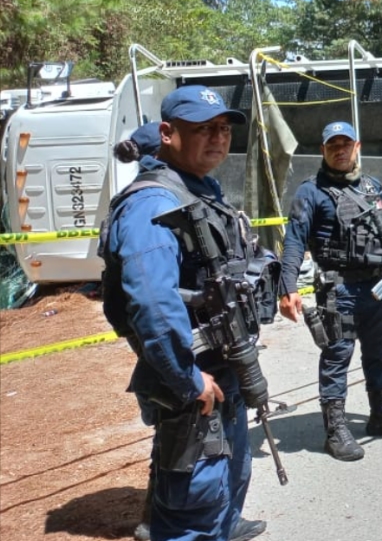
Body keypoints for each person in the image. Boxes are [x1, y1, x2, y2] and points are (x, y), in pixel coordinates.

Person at [99, 86, 268, 541]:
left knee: (227, 466)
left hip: (219, 363)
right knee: (195, 494)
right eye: (202, 130)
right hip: (191, 374)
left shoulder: (196, 188)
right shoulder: (152, 204)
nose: (217, 138)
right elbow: (153, 305)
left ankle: (225, 524)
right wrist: (188, 380)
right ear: (168, 133)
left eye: (223, 129)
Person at [278, 121, 382, 461]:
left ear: (357, 146)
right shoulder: (310, 191)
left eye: (345, 144)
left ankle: (381, 414)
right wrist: (288, 287)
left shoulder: (373, 187)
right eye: (332, 146)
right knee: (337, 358)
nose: (339, 151)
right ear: (323, 151)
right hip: (337, 288)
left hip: (377, 286)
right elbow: (295, 241)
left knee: (381, 352)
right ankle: (336, 430)